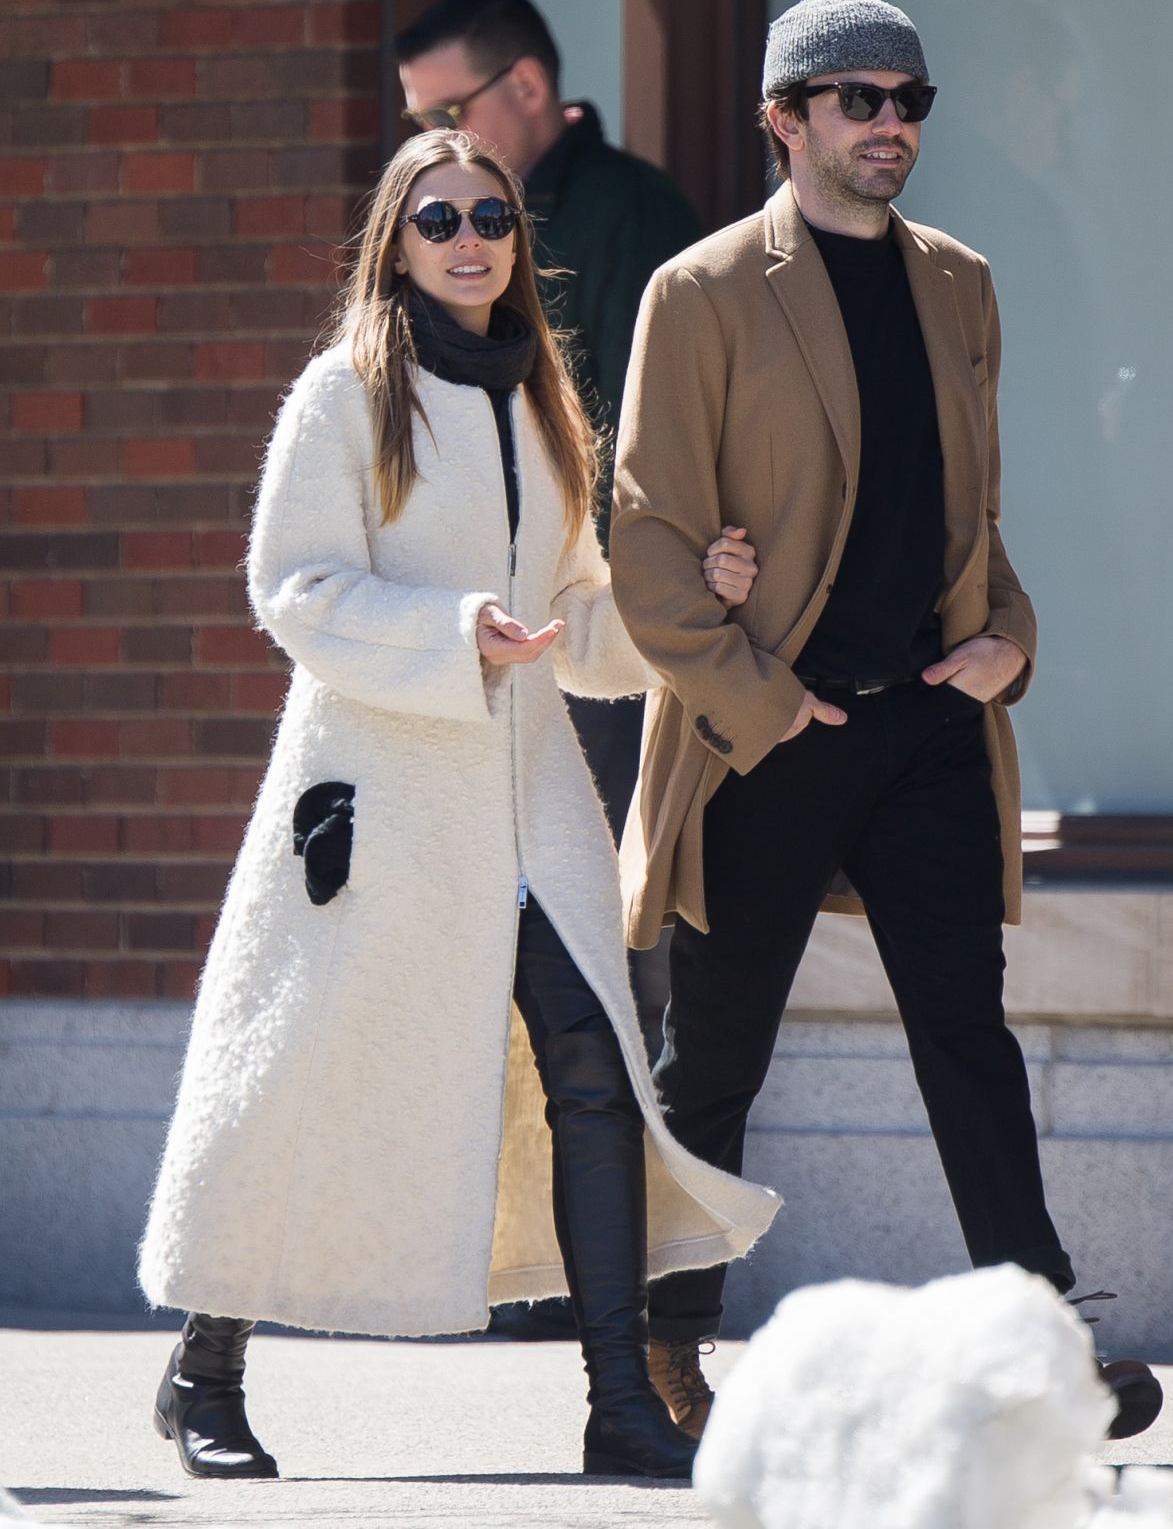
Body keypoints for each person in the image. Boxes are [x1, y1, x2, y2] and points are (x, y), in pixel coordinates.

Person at [138, 128, 780, 1484]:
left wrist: (687, 604)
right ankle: (205, 1367)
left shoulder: (542, 399)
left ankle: (620, 1401)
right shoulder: (343, 395)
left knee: (596, 1070)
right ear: (397, 241)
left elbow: (579, 619)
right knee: (299, 1076)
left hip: (531, 803)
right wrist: (452, 632)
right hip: (372, 806)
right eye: (440, 219)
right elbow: (295, 588)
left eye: (492, 213)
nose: (472, 237)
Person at [609, 0, 1160, 1442]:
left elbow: (969, 514)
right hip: (773, 724)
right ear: (784, 119)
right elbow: (651, 547)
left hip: (927, 719)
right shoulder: (705, 290)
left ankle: (1044, 1340)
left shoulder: (962, 282)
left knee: (965, 1032)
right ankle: (663, 1353)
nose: (892, 124)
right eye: (858, 99)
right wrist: (763, 701)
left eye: (911, 98)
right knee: (716, 1052)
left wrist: (1009, 640)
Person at [395, 0, 702, 849]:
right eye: (417, 122)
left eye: (447, 111)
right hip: (484, 628)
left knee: (588, 907)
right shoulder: (444, 230)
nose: (433, 142)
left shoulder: (628, 212)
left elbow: (658, 433)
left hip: (591, 625)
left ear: (527, 87)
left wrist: (626, 610)